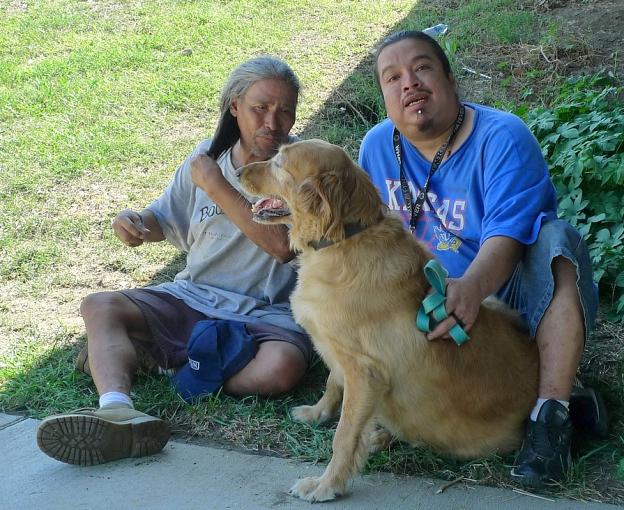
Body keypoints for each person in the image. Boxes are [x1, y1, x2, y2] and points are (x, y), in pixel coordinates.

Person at [36, 56, 312, 466]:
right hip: (195, 297)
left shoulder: (300, 168)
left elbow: (282, 247)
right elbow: (163, 217)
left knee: (283, 369)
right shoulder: (207, 156)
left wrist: (218, 186)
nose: (274, 121)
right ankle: (116, 409)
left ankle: (172, 365)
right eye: (261, 108)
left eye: (285, 110)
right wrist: (135, 223)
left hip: (267, 313)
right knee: (100, 305)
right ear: (234, 106)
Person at [358, 30, 600, 488]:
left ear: (450, 79)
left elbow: (508, 235)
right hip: (420, 303)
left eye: (422, 68)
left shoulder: (502, 136)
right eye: (392, 78)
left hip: (500, 293)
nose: (409, 83)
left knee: (557, 241)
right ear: (385, 97)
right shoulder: (375, 147)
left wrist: (469, 289)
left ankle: (552, 413)